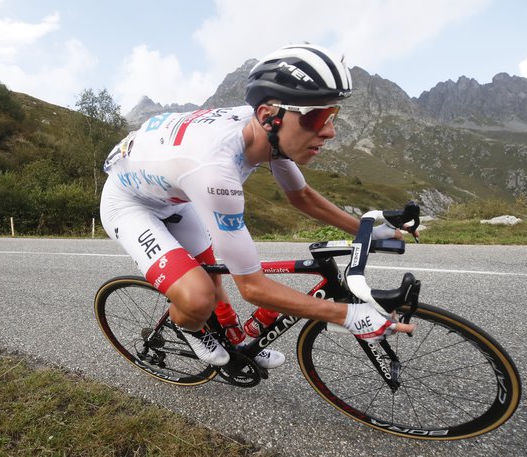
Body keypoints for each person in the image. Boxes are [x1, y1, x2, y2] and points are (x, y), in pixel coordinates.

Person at [100, 43, 416, 368]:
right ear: (269, 116)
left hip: (174, 195)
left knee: (214, 280)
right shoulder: (216, 172)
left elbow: (301, 196)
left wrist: (371, 230)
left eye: (332, 114)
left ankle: (237, 343)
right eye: (317, 116)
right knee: (198, 297)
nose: (330, 131)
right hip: (129, 204)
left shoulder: (266, 132)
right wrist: (349, 316)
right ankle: (188, 327)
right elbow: (252, 287)